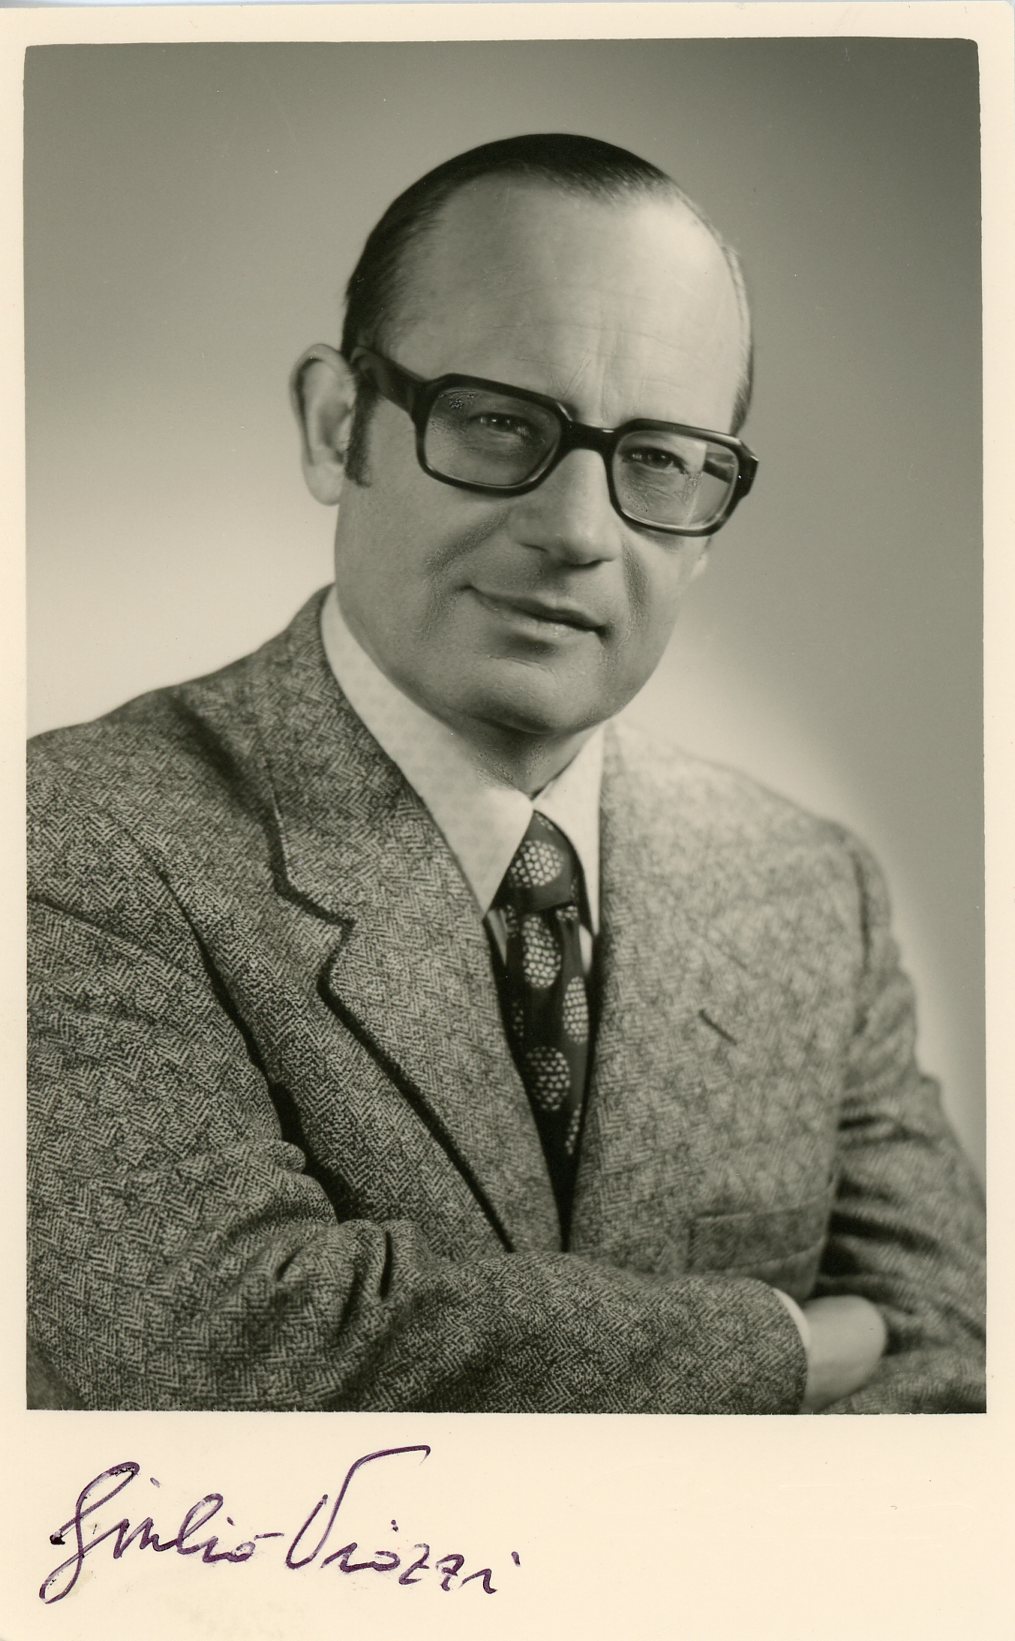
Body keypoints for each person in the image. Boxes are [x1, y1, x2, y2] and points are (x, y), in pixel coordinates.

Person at [27, 133, 985, 1414]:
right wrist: (786, 1346)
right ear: (335, 427)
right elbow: (221, 1349)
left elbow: (958, 1361)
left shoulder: (810, 890)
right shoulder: (71, 839)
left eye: (658, 460)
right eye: (497, 423)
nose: (578, 531)